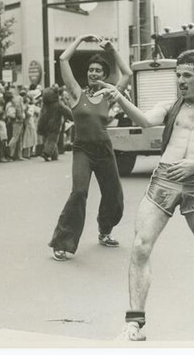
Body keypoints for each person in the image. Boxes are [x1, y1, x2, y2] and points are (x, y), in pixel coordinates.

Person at [103, 50, 194, 341]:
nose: (180, 80)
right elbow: (144, 120)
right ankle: (134, 323)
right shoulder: (169, 107)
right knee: (140, 245)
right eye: (177, 75)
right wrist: (120, 98)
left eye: (187, 75)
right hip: (164, 179)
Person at [48, 34, 132, 261]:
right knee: (79, 193)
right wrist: (80, 39)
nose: (93, 73)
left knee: (114, 195)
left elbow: (128, 74)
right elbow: (64, 60)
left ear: (104, 75)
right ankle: (63, 242)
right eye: (91, 70)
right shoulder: (77, 93)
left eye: (98, 71)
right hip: (82, 149)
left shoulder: (109, 96)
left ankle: (105, 231)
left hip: (104, 150)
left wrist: (112, 50)